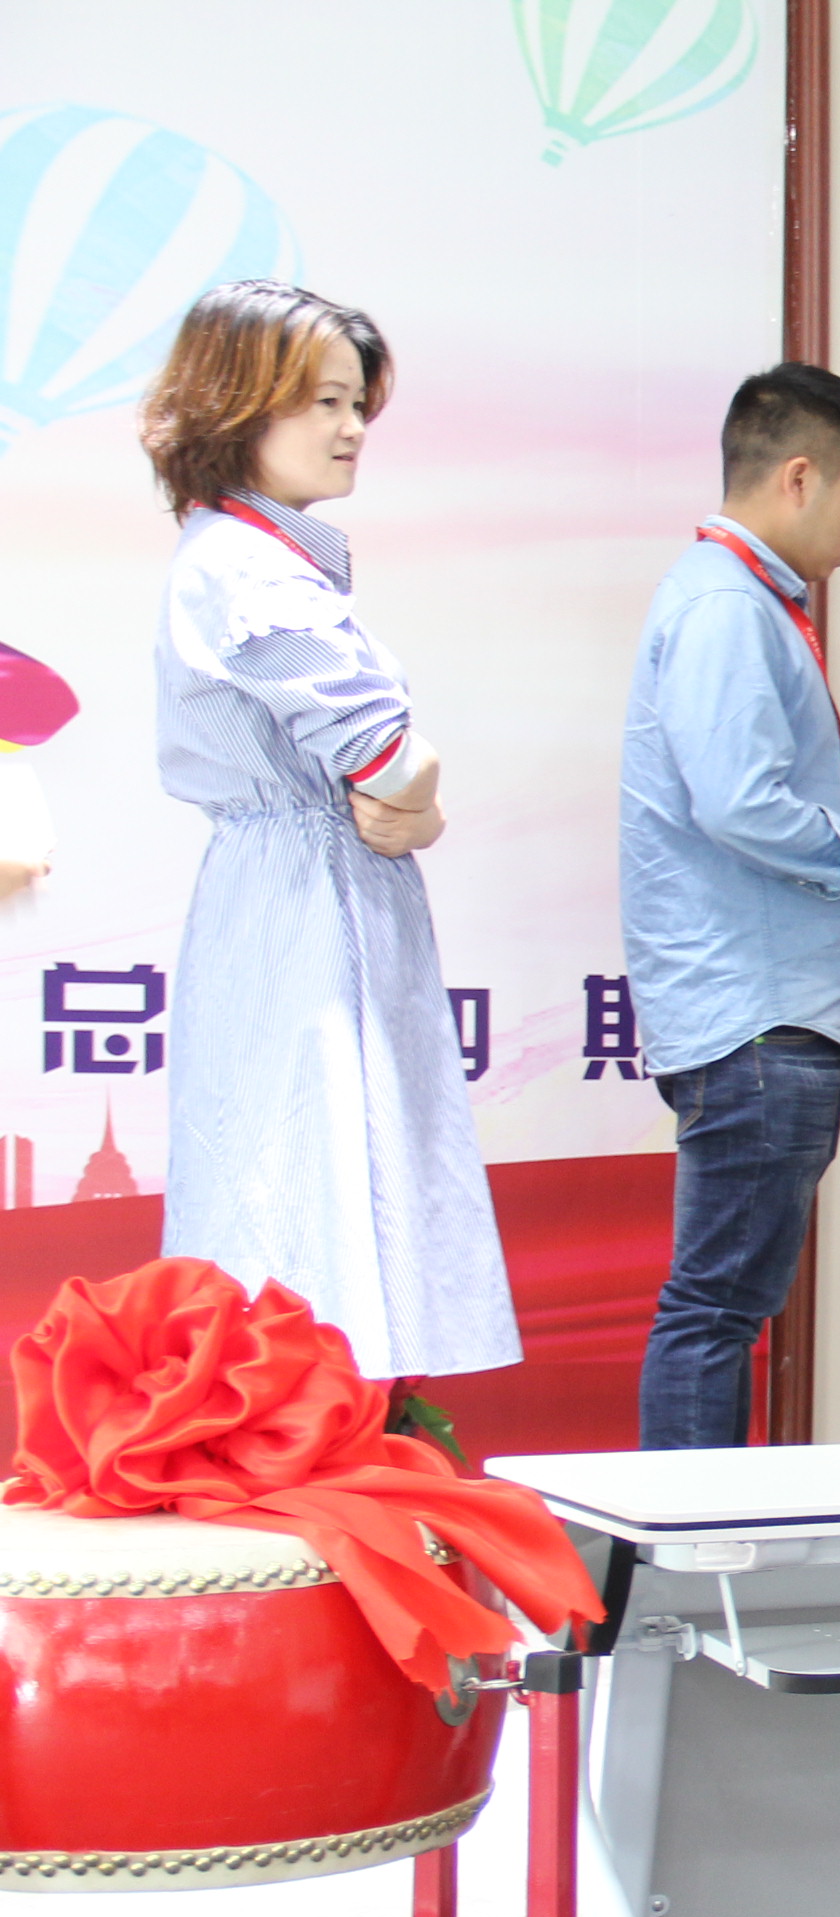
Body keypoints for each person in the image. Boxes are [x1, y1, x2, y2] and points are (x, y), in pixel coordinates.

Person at [139, 280, 516, 1386]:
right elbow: (390, 760)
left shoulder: (247, 554)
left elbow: (392, 780)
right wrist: (422, 798)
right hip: (305, 903)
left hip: (304, 890)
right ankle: (304, 1442)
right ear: (238, 402)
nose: (352, 430)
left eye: (358, 405)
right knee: (303, 1188)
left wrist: (416, 805)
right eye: (324, 402)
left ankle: (315, 1431)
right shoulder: (247, 566)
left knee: (309, 1184)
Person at [623, 363, 840, 1449]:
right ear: (800, 477)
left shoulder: (736, 601)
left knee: (719, 1308)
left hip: (762, 1015)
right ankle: (694, 1546)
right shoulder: (726, 608)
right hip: (761, 1018)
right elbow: (739, 803)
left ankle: (701, 1540)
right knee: (715, 1313)